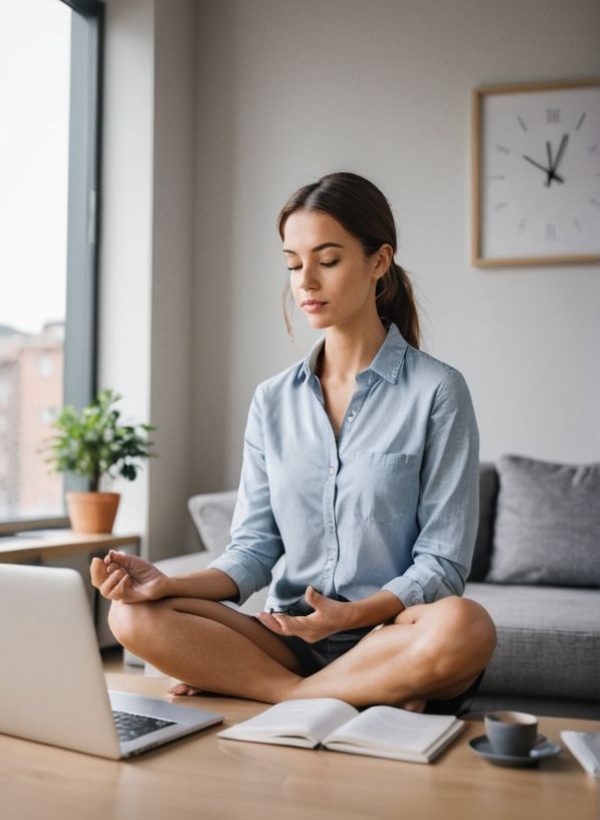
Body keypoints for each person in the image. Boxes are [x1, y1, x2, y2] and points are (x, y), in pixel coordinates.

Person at [91, 171, 496, 714]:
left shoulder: (438, 391)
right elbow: (254, 550)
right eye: (292, 262)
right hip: (287, 641)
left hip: (388, 635)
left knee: (465, 626)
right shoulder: (273, 400)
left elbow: (443, 565)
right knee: (130, 615)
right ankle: (311, 693)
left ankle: (271, 688)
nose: (304, 280)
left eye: (326, 261)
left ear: (378, 262)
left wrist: (349, 616)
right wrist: (166, 584)